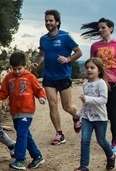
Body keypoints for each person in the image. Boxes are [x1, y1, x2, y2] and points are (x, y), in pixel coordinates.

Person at [81, 18, 116, 154]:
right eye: (99, 28)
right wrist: (89, 78)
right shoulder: (95, 46)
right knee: (101, 111)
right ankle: (102, 139)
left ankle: (114, 142)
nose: (100, 30)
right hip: (101, 82)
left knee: (112, 113)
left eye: (103, 28)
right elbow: (91, 64)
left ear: (111, 28)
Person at [0, 51, 47, 171]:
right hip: (15, 111)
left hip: (27, 111)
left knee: (21, 134)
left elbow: (38, 89)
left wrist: (41, 97)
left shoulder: (30, 77)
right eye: (14, 69)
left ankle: (20, 159)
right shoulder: (8, 78)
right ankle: (37, 156)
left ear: (25, 66)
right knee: (25, 134)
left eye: (19, 68)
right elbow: (3, 93)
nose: (17, 71)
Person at [35, 9, 83, 145]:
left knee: (66, 106)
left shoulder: (66, 36)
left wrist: (68, 59)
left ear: (57, 22)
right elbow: (41, 54)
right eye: (46, 21)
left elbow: (79, 52)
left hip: (63, 75)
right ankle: (59, 133)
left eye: (50, 20)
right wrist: (36, 63)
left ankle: (77, 116)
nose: (48, 23)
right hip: (49, 76)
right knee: (52, 104)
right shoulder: (43, 39)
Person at [73, 58, 116, 171]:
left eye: (92, 68)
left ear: (99, 70)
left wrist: (88, 99)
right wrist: (79, 113)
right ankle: (84, 166)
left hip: (100, 118)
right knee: (85, 140)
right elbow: (85, 104)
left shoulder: (101, 83)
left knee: (101, 140)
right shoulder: (85, 84)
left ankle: (111, 156)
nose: (89, 70)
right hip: (87, 118)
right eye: (87, 67)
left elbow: (103, 100)